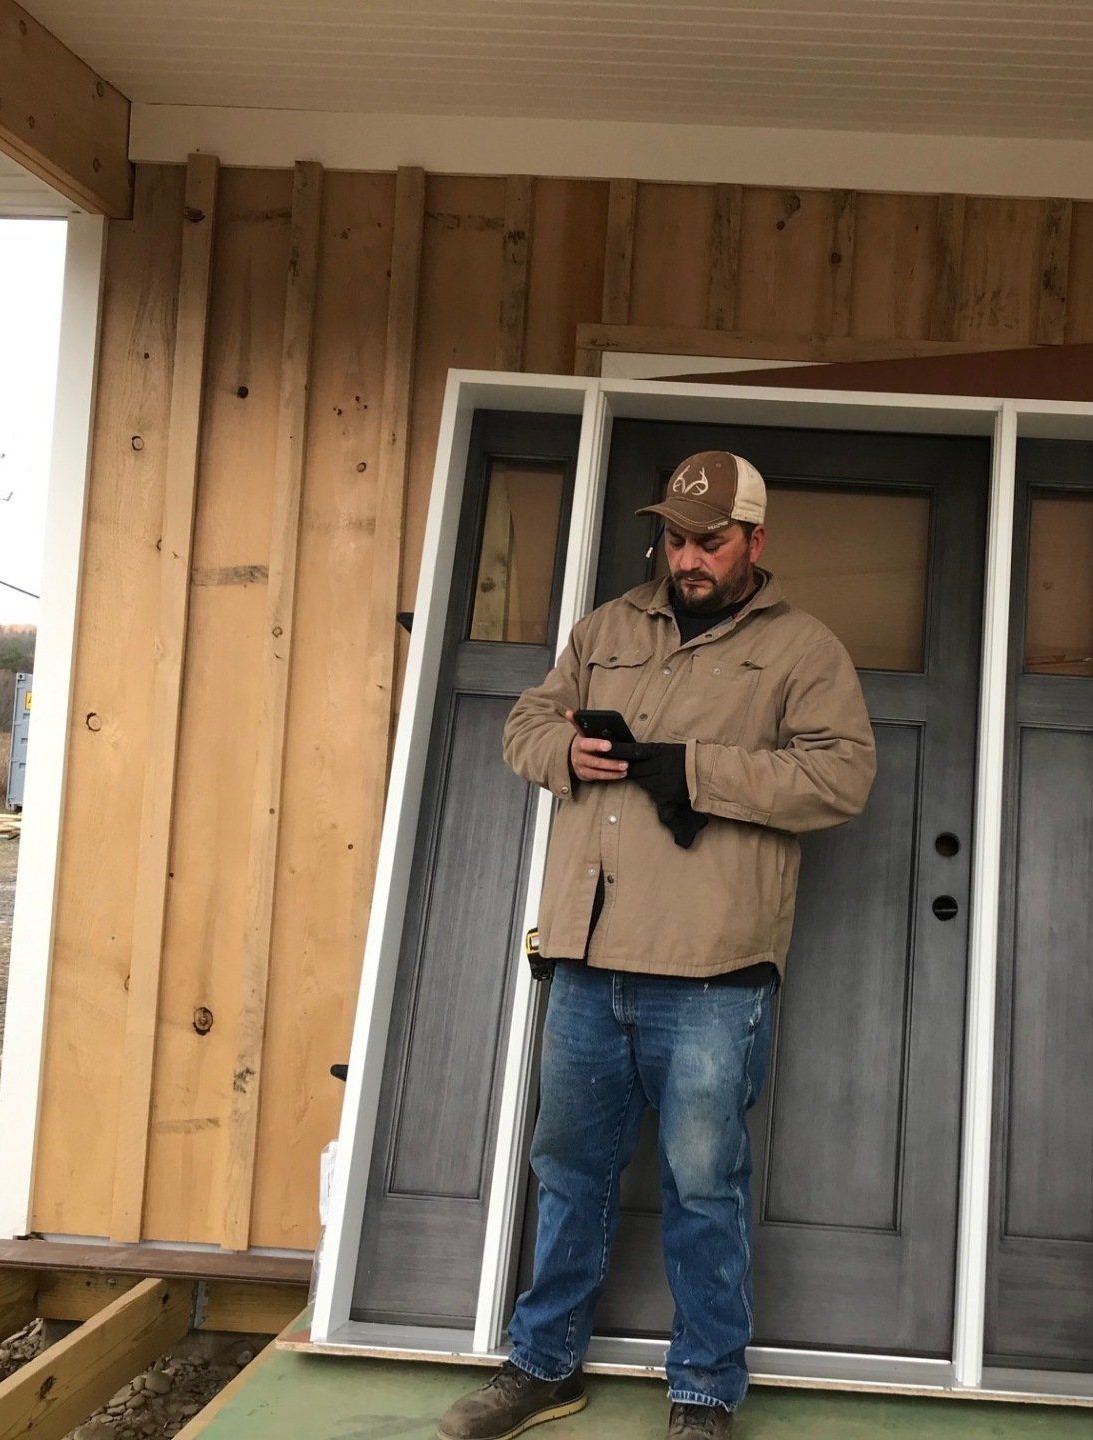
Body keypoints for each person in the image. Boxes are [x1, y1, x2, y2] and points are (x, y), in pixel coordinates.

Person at [437, 450, 876, 1440]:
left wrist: (699, 773)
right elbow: (524, 724)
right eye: (676, 539)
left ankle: (705, 1391)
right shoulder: (606, 628)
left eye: (710, 542)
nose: (687, 559)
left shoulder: (804, 650)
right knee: (568, 1173)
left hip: (714, 972)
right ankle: (541, 1366)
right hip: (588, 959)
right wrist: (566, 750)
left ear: (755, 541)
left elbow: (842, 778)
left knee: (704, 1188)